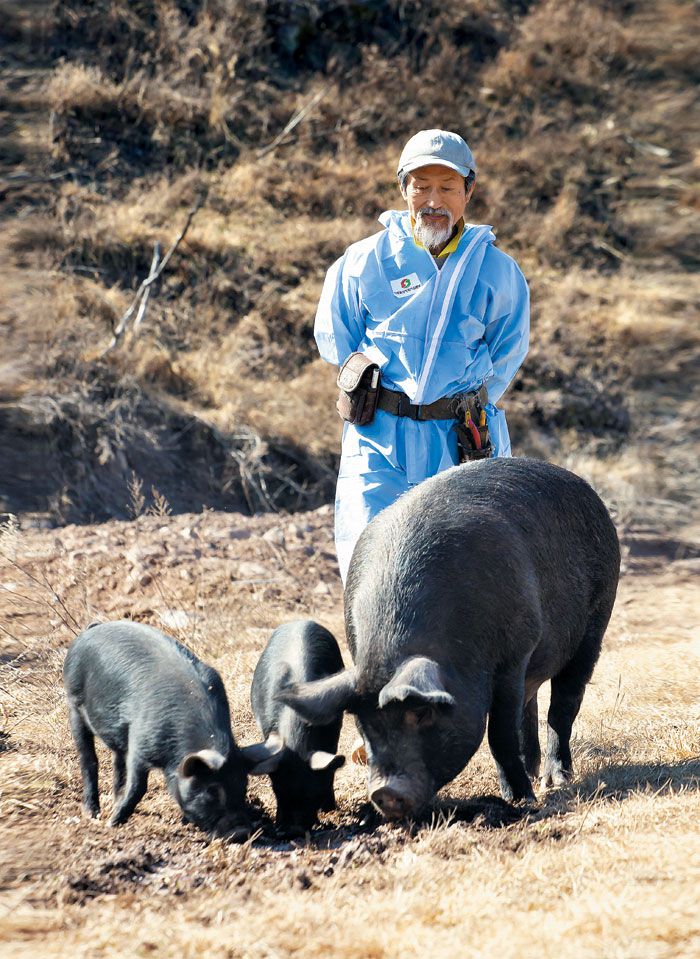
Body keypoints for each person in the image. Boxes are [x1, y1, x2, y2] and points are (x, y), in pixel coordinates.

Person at [314, 129, 530, 583]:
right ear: (403, 188)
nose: (433, 200)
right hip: (378, 440)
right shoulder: (363, 261)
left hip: (459, 444)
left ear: (468, 191)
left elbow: (508, 351)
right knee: (370, 570)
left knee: (463, 576)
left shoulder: (498, 271)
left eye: (448, 187)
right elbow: (338, 337)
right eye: (421, 185)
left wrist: (458, 403)